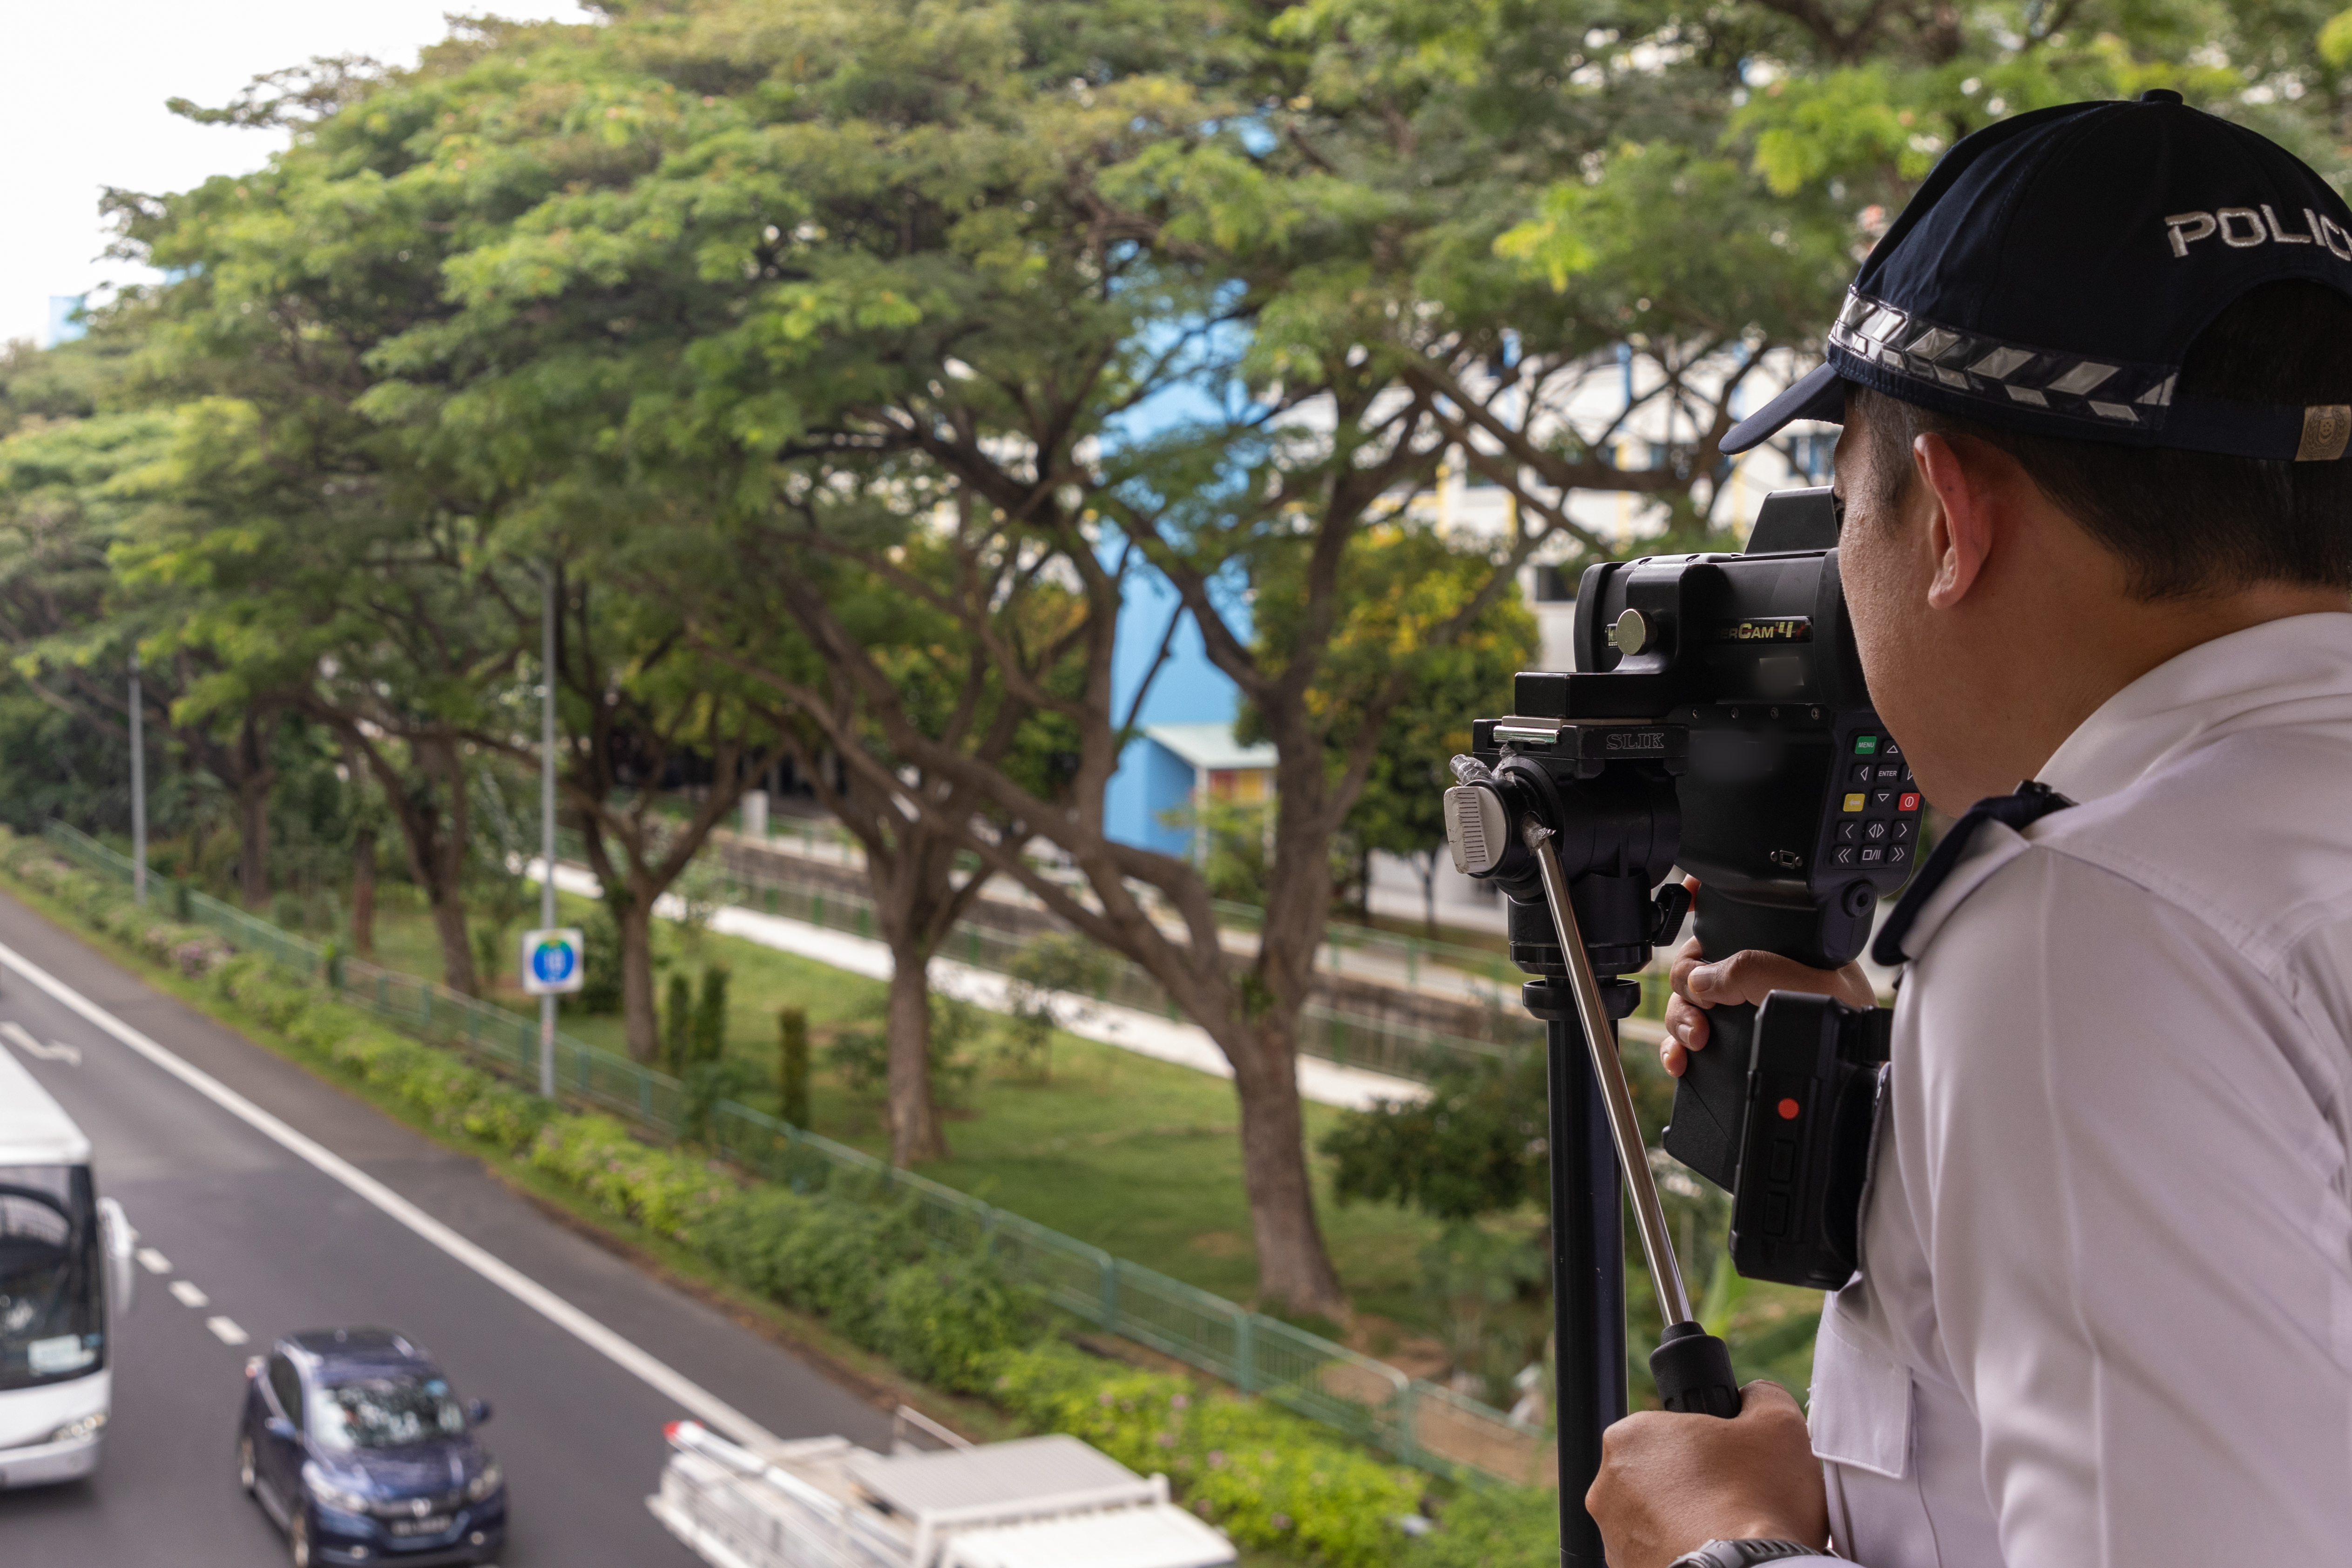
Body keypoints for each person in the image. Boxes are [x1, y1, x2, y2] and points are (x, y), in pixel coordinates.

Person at [1585, 92, 2352, 1568]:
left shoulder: (2098, 929)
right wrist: (1918, 1125)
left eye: (1840, 502)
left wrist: (1720, 1547)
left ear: (1946, 515)